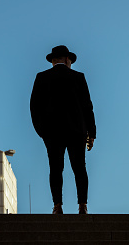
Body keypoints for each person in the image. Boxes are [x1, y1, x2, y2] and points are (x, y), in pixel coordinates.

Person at [30, 45, 96, 214]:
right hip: (77, 130)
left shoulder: (42, 77)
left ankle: (57, 206)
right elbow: (87, 106)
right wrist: (92, 132)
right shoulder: (78, 77)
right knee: (80, 168)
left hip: (52, 132)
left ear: (53, 61)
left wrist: (42, 131)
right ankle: (82, 205)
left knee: (55, 168)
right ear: (67, 60)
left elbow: (34, 107)